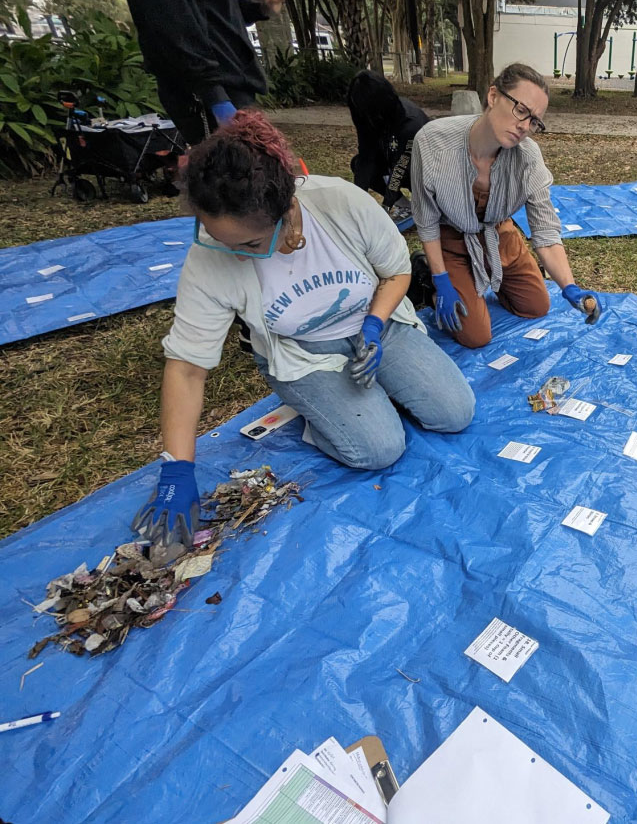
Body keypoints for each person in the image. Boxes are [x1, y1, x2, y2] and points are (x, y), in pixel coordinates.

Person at [131, 112, 475, 548]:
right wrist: (177, 468)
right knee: (378, 449)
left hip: (378, 329)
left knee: (455, 413)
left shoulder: (341, 203)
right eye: (222, 242)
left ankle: (373, 391)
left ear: (289, 209)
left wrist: (374, 324)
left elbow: (396, 272)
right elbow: (185, 367)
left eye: (252, 245)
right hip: (304, 353)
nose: (236, 256)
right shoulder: (213, 256)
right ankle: (322, 411)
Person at [410, 63, 601, 349]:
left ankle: (489, 277)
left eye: (534, 120)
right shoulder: (431, 142)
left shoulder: (528, 157)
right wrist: (442, 279)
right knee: (476, 337)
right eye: (521, 110)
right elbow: (425, 221)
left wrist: (569, 287)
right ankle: (431, 278)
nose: (525, 126)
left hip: (498, 233)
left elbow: (546, 231)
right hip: (451, 237)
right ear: (493, 96)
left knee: (536, 306)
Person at [107, 0, 287, 145]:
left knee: (256, 171)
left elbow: (207, 9)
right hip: (208, 91)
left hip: (231, 82)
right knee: (231, 171)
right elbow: (166, 12)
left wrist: (258, 7)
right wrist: (215, 96)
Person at [347, 69, 430, 215]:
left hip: (420, 170)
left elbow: (399, 169)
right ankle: (405, 205)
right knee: (358, 163)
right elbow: (366, 156)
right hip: (393, 161)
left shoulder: (410, 123)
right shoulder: (365, 115)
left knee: (408, 173)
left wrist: (385, 208)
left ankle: (424, 206)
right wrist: (357, 202)